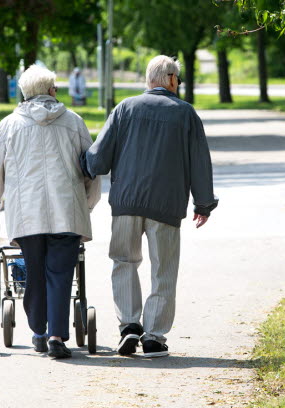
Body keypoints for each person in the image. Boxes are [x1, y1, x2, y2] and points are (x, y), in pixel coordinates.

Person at [81, 55, 218, 358]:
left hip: (126, 203)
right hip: (166, 205)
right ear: (170, 79)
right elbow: (199, 161)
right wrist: (204, 203)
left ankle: (129, 325)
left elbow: (98, 158)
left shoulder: (125, 108)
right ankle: (154, 336)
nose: (178, 85)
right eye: (178, 80)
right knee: (163, 270)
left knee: (124, 261)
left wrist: (85, 165)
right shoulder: (186, 114)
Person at [0, 64, 101, 359]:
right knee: (60, 273)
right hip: (67, 210)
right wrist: (88, 203)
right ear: (51, 91)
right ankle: (57, 336)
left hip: (27, 214)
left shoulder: (9, 125)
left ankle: (38, 330)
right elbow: (92, 169)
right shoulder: (74, 122)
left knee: (34, 272)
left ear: (24, 93)